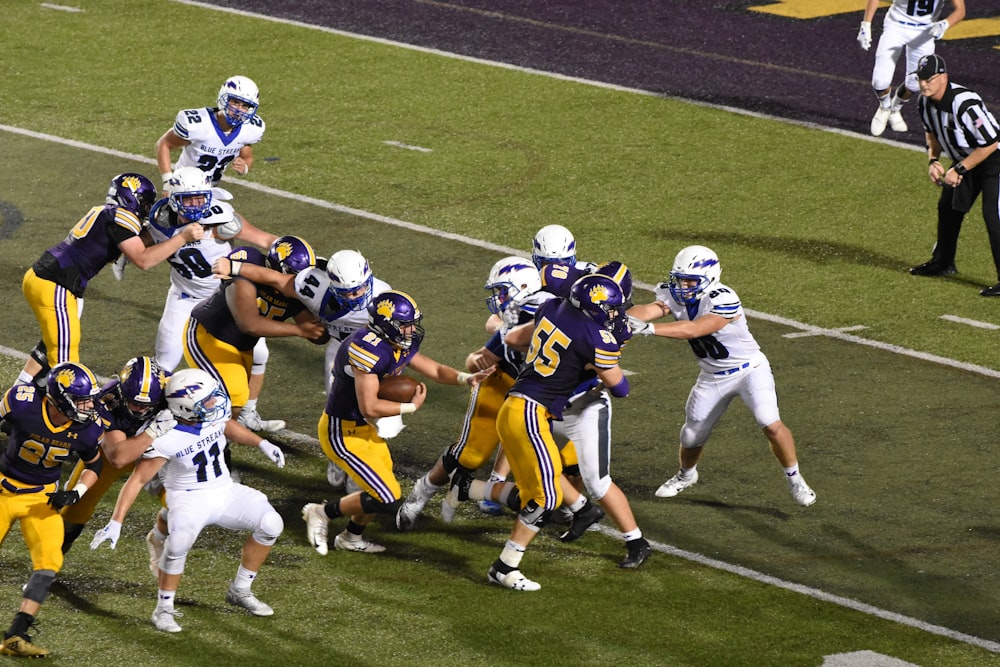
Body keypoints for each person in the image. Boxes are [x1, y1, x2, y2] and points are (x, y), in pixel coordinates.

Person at [90, 368, 286, 633]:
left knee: (272, 523)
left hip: (224, 488)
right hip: (187, 497)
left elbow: (226, 426)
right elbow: (136, 479)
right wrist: (116, 521)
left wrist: (261, 443)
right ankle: (164, 609)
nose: (215, 403)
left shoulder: (208, 414)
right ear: (184, 406)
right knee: (179, 541)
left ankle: (240, 590)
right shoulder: (164, 434)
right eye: (207, 401)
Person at [301, 290, 494, 556]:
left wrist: (465, 378)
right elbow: (369, 406)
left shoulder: (396, 343)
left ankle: (351, 537)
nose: (411, 330)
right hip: (341, 431)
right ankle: (320, 512)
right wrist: (410, 406)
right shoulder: (366, 349)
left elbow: (436, 370)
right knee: (387, 497)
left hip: (364, 429)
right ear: (386, 324)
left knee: (381, 490)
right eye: (405, 325)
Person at [627, 245, 817, 507]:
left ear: (710, 277)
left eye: (690, 280)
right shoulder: (675, 293)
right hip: (712, 376)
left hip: (749, 370)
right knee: (692, 435)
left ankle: (795, 478)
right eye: (680, 279)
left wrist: (649, 330)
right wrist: (619, 318)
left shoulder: (722, 297)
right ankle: (686, 475)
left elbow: (695, 329)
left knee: (770, 423)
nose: (683, 286)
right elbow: (649, 309)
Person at [479, 274, 632, 591]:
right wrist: (606, 350)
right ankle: (504, 567)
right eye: (611, 307)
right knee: (545, 497)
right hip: (530, 414)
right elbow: (621, 387)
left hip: (515, 409)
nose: (615, 313)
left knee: (536, 491)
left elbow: (519, 340)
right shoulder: (595, 337)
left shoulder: (552, 307)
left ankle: (470, 491)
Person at [213, 247, 392, 489]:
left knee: (372, 409)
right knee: (339, 407)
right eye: (347, 292)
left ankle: (364, 459)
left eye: (360, 288)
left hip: (371, 351)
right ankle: (339, 455)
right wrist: (233, 267)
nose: (356, 296)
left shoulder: (383, 298)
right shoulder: (315, 286)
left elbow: (394, 339)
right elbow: (275, 278)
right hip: (340, 347)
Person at [394, 256, 552, 531]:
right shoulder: (517, 313)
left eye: (503, 290)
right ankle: (422, 491)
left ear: (524, 285)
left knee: (548, 464)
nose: (498, 297)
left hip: (540, 397)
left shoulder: (551, 312)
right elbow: (481, 356)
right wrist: (474, 362)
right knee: (469, 455)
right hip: (503, 382)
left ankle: (574, 510)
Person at [17, 173, 202, 389]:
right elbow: (143, 259)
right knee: (65, 363)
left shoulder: (108, 213)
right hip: (57, 284)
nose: (146, 208)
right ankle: (43, 413)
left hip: (50, 278)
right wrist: (182, 237)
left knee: (51, 344)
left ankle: (19, 390)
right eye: (144, 203)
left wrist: (168, 226)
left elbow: (141, 239)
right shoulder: (121, 218)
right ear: (131, 198)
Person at [147, 166, 284, 431]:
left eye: (201, 197)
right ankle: (151, 421)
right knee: (165, 362)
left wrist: (292, 251)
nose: (197, 205)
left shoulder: (221, 216)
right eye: (189, 199)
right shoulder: (161, 221)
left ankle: (248, 413)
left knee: (259, 352)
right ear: (174, 198)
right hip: (184, 296)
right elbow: (142, 253)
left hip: (224, 297)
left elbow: (263, 239)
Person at [0, 362, 104, 658]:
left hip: (42, 498)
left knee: (49, 563)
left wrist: (76, 492)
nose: (88, 407)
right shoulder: (23, 402)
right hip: (3, 488)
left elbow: (94, 463)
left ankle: (16, 635)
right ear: (60, 398)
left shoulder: (86, 429)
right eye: (81, 400)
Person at [183, 235, 327, 425]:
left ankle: (235, 428)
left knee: (235, 403)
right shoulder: (248, 264)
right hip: (210, 335)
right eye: (295, 275)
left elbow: (317, 335)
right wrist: (299, 330)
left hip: (241, 345)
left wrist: (320, 320)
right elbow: (248, 323)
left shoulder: (297, 289)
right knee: (233, 398)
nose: (301, 281)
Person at [907, 54, 1000, 296]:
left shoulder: (965, 103)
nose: (924, 84)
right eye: (921, 79)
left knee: (994, 217)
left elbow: (991, 143)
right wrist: (933, 160)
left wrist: (959, 169)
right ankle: (943, 262)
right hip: (966, 161)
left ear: (943, 77)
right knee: (948, 207)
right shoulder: (924, 102)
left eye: (929, 79)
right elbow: (932, 133)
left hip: (994, 161)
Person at [60, 356, 170, 555]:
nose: (141, 409)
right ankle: (47, 568)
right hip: (118, 448)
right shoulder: (106, 400)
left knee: (183, 504)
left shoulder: (172, 390)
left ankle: (160, 534)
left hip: (159, 456)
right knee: (74, 508)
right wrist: (153, 431)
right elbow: (118, 458)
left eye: (147, 405)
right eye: (135, 403)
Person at [857, 0, 964, 137]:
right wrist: (866, 24)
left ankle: (895, 109)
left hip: (925, 31)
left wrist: (945, 24)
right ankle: (884, 107)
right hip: (896, 26)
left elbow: (960, 10)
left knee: (915, 85)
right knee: (880, 81)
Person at [155, 75, 263, 191]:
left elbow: (247, 156)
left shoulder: (250, 129)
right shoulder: (199, 124)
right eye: (235, 102)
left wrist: (244, 167)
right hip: (184, 188)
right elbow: (164, 144)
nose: (239, 110)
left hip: (212, 190)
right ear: (224, 99)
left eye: (245, 106)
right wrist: (168, 182)